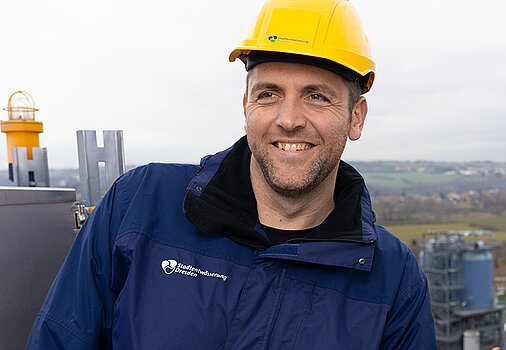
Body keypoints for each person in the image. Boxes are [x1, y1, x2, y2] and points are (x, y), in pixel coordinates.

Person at [25, 0, 437, 349]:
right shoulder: (139, 205)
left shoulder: (393, 279)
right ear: (246, 106)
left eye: (317, 96)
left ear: (356, 117)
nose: (289, 120)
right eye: (269, 94)